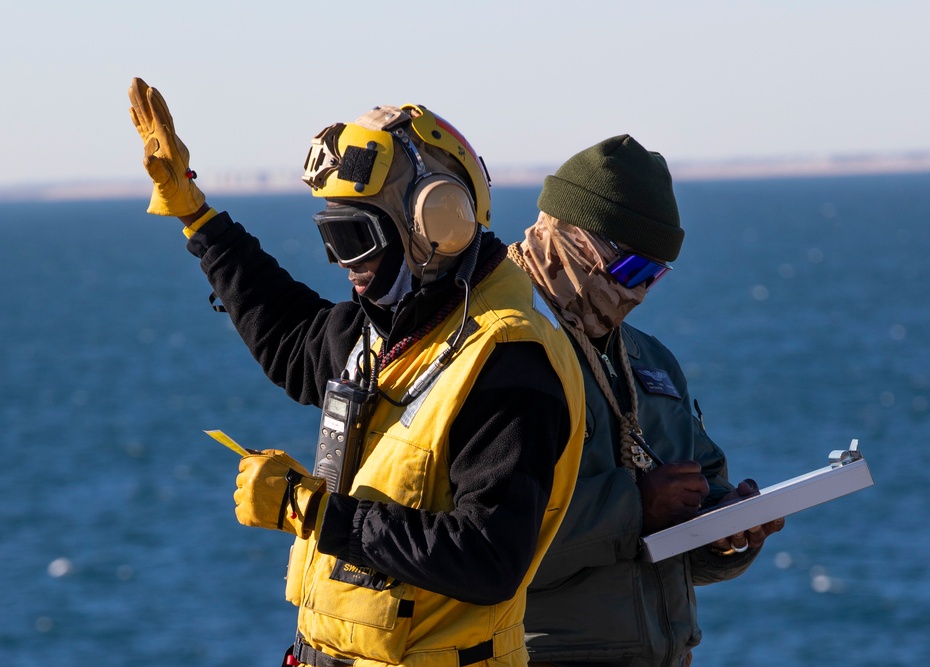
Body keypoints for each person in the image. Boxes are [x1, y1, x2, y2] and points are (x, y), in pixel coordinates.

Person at [127, 77, 585, 667]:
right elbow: (290, 337)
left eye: (356, 238)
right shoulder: (395, 328)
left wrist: (311, 511)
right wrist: (196, 216)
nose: (345, 265)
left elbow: (489, 557)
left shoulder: (506, 360)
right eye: (331, 238)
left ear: (436, 224)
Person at [506, 135, 785, 667]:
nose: (637, 293)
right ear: (569, 238)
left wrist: (723, 530)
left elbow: (686, 514)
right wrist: (636, 509)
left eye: (654, 276)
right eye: (631, 270)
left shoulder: (646, 359)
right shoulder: (496, 350)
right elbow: (476, 543)